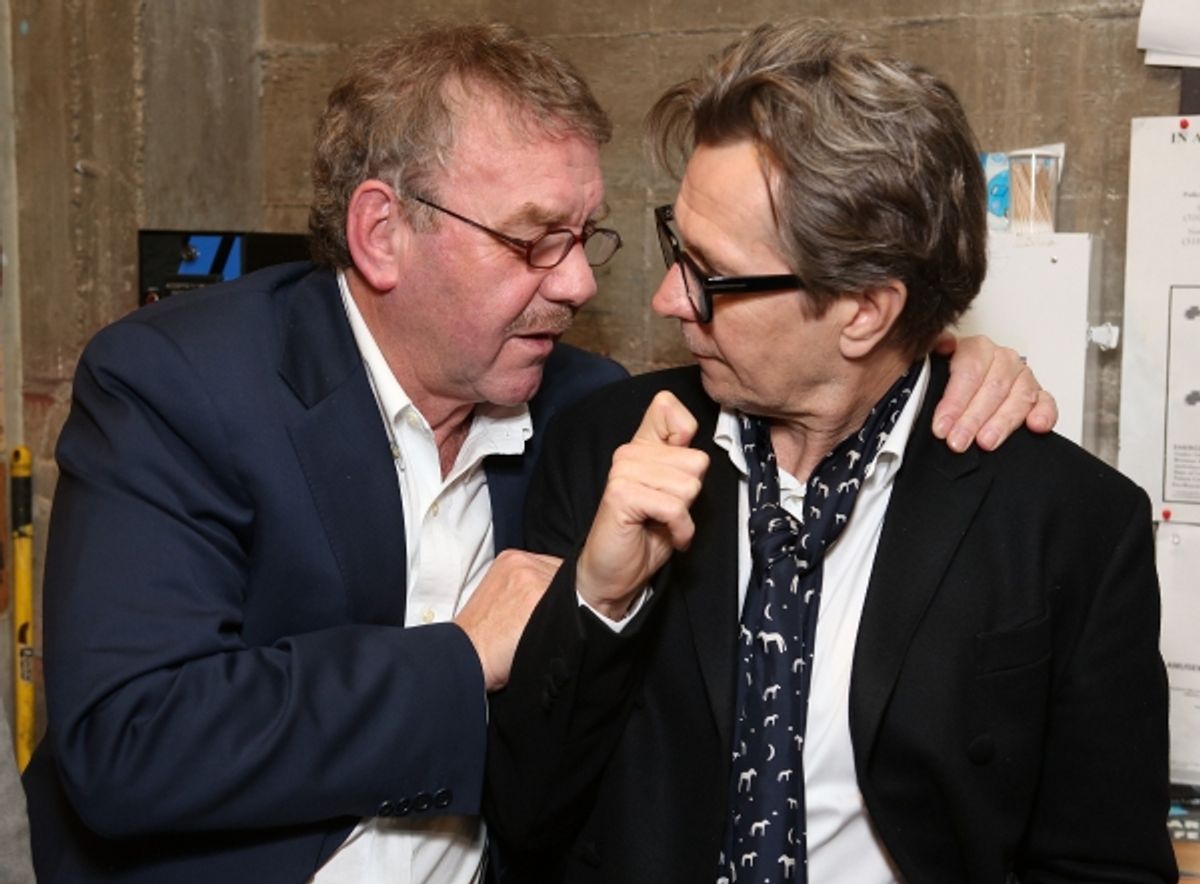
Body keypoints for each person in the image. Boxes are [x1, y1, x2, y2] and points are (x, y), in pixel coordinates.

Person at [24, 21, 1049, 884]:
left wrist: (944, 358)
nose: (573, 285)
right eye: (532, 240)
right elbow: (127, 741)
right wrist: (462, 657)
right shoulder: (177, 384)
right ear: (383, 233)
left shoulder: (591, 410)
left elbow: (815, 361)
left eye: (587, 237)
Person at [485, 22, 1176, 884]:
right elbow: (522, 815)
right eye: (675, 246)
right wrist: (597, 601)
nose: (669, 298)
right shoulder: (605, 448)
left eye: (712, 273)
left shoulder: (1070, 522)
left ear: (865, 311)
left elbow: (1104, 866)